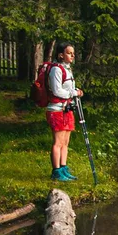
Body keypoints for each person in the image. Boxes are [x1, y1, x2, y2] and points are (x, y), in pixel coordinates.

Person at [46, 42, 83, 182]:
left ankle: (63, 168)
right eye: (69, 53)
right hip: (56, 110)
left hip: (67, 109)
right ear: (61, 55)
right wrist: (74, 92)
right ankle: (56, 171)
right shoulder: (56, 70)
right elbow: (57, 90)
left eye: (73, 53)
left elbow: (67, 88)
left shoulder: (67, 69)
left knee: (66, 142)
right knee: (58, 142)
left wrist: (75, 92)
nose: (72, 55)